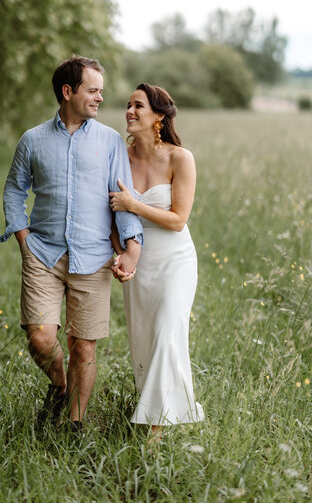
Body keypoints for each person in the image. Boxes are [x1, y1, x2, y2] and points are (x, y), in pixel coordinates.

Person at [0, 55, 142, 432]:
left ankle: (74, 426)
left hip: (94, 257)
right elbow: (15, 190)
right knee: (41, 337)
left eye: (100, 91)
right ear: (68, 91)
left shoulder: (111, 142)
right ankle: (60, 386)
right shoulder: (32, 140)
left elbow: (122, 198)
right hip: (43, 253)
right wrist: (23, 237)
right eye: (92, 90)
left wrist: (130, 246)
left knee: (83, 345)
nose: (99, 98)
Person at [109, 83, 204, 436]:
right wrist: (120, 254)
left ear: (159, 116)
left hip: (175, 261)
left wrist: (134, 204)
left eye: (139, 106)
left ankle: (155, 433)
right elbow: (111, 215)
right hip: (139, 263)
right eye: (128, 105)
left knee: (166, 330)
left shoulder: (181, 158)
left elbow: (178, 220)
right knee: (145, 339)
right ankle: (165, 406)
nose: (129, 111)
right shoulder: (120, 156)